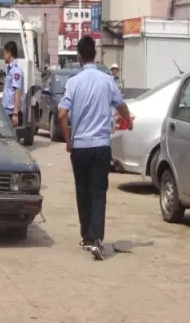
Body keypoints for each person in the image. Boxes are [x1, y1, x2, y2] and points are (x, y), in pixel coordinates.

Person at [57, 35, 132, 261]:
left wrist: (68, 140)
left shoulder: (73, 82)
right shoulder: (107, 80)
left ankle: (88, 237)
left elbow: (62, 114)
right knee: (98, 192)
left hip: (80, 146)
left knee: (82, 191)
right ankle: (97, 238)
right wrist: (128, 122)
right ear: (95, 56)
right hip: (100, 146)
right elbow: (121, 105)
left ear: (79, 57)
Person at [2, 41, 24, 126]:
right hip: (7, 112)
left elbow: (17, 91)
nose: (3, 56)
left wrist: (15, 114)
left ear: (9, 53)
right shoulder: (9, 69)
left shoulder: (16, 70)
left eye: (4, 53)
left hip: (12, 113)